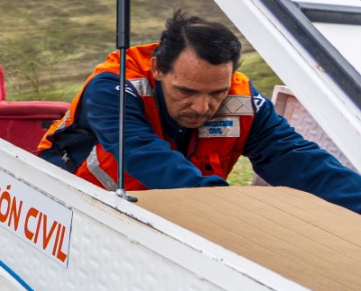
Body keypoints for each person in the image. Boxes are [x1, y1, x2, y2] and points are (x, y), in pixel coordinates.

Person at [40, 11, 361, 211]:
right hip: (68, 203)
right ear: (158, 69)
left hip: (177, 212)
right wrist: (223, 206)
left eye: (216, 92)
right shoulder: (114, 86)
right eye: (187, 91)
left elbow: (297, 159)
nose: (202, 107)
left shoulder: (243, 100)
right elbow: (139, 151)